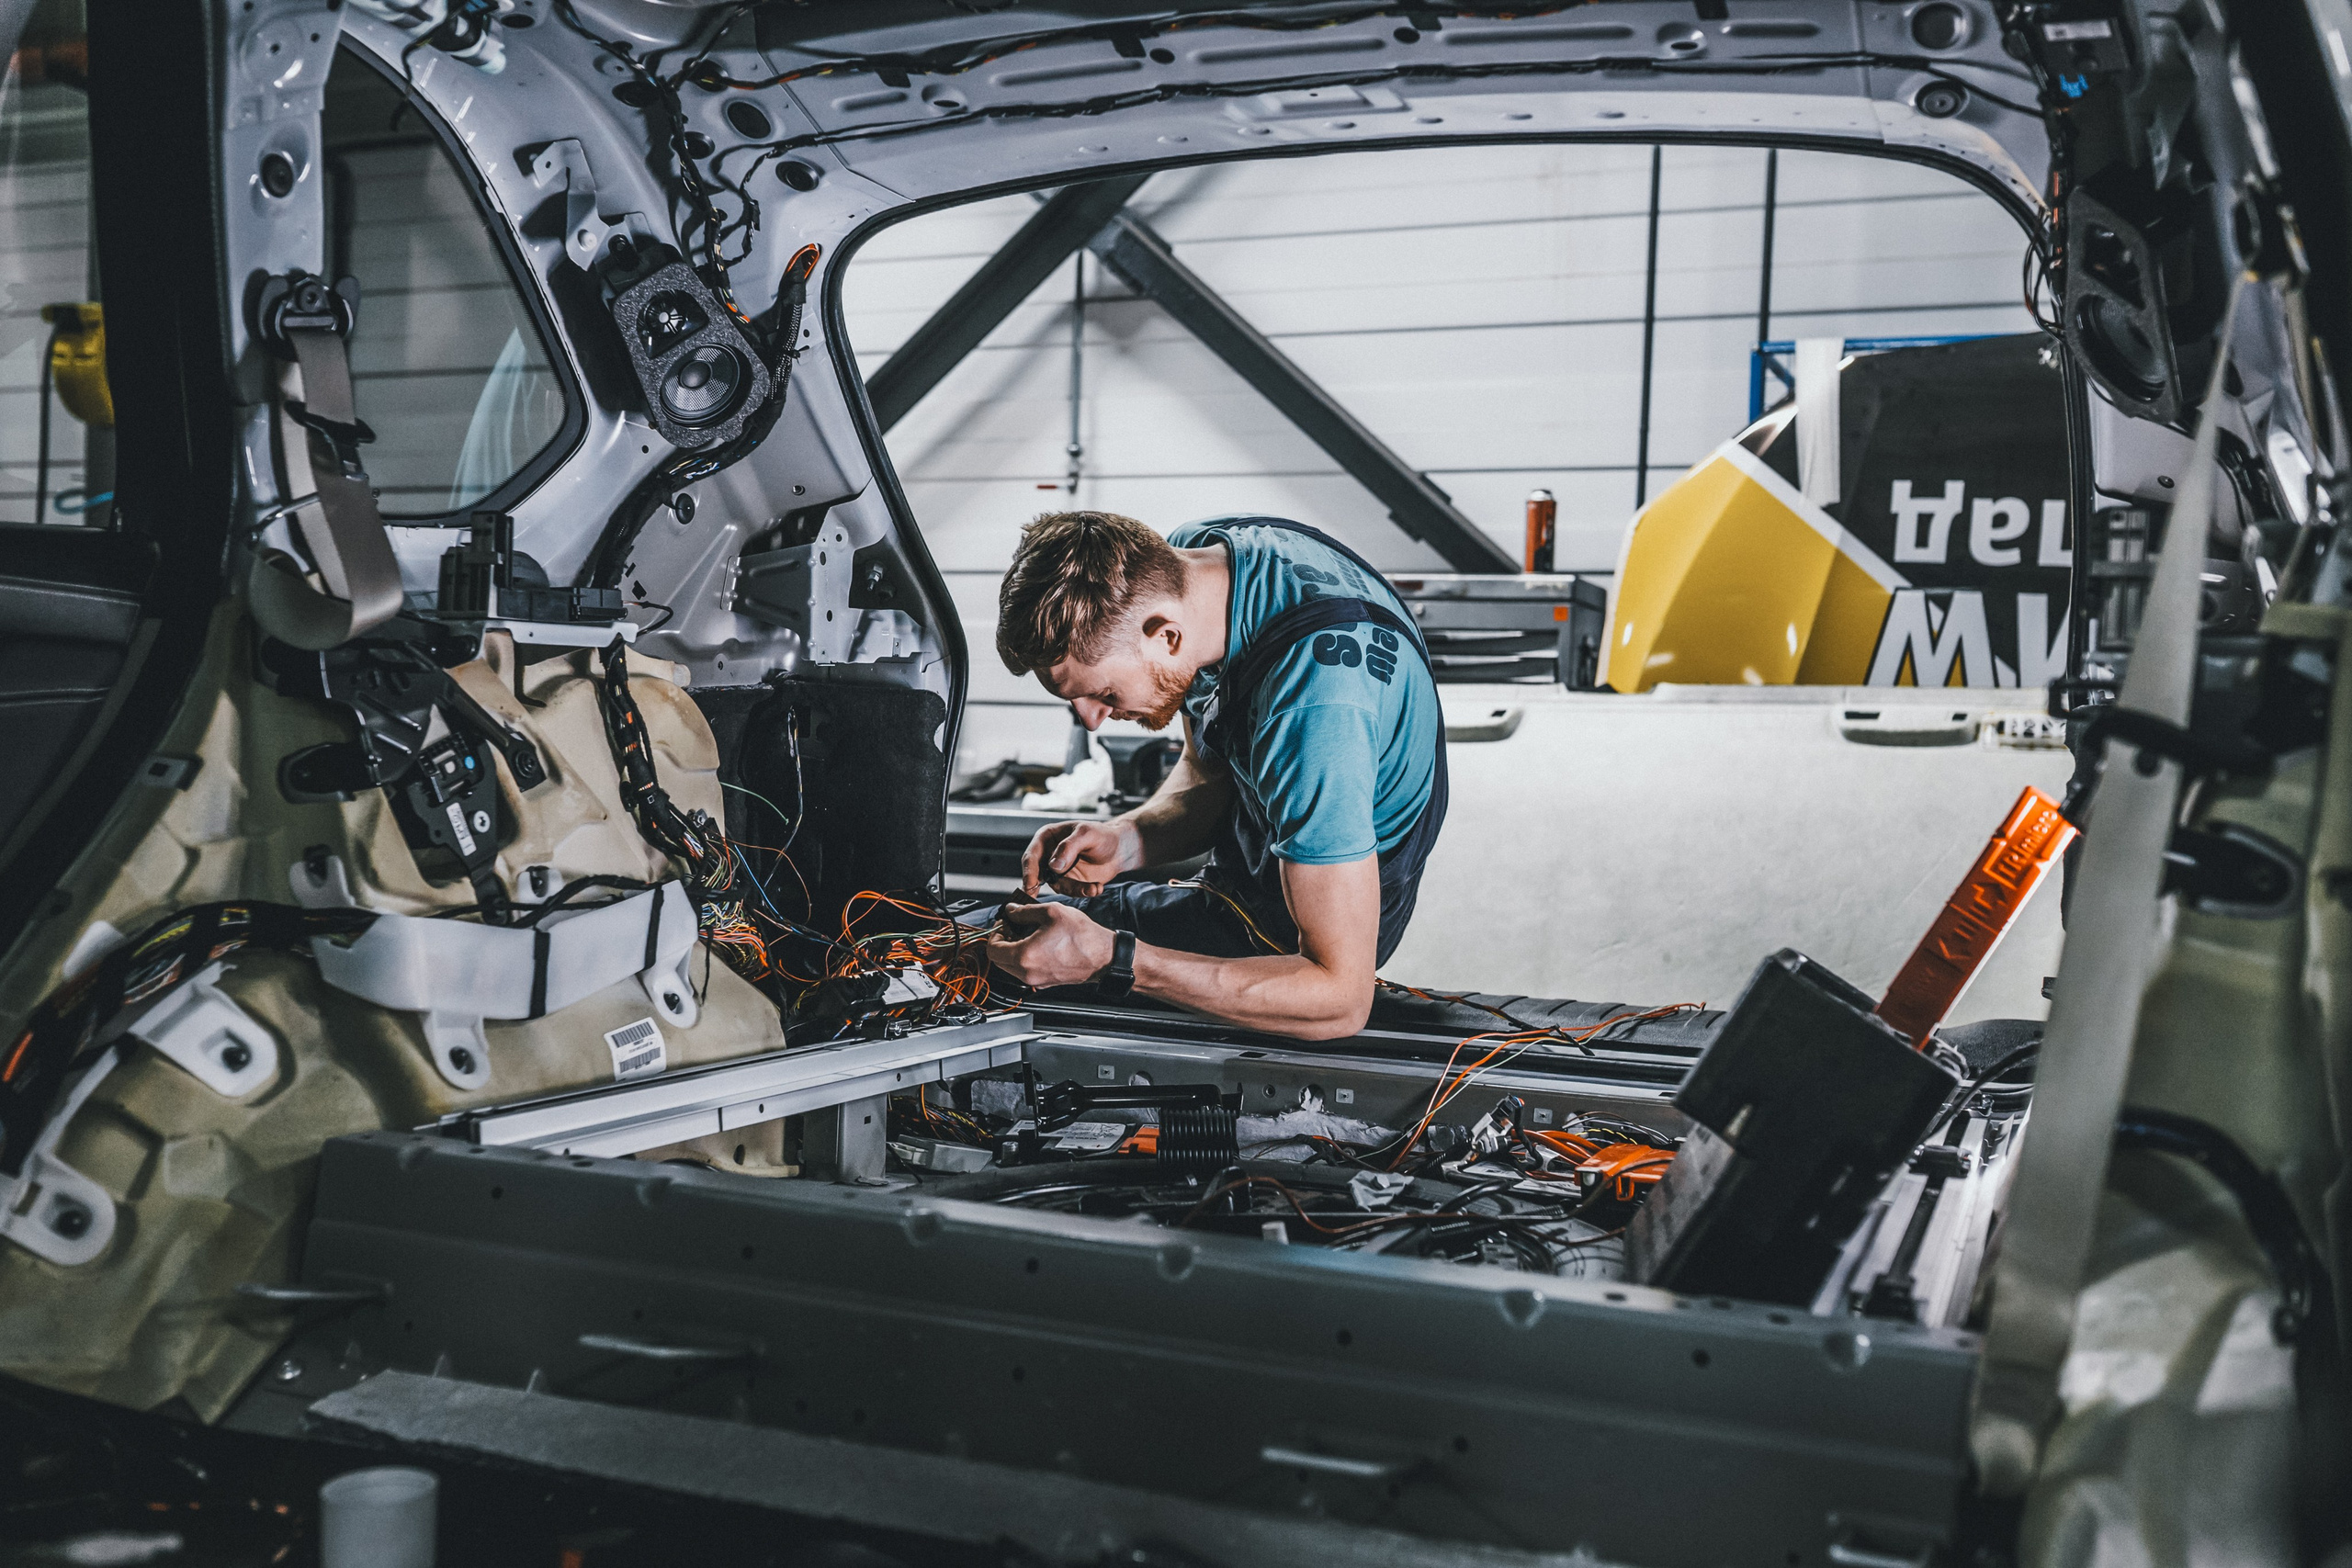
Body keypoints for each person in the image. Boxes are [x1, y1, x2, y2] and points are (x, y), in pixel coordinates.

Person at [983, 510, 1447, 1041]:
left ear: (1167, 637)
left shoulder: (1317, 714)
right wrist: (1126, 842)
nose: (1091, 718)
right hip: (1245, 876)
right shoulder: (1195, 564)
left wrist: (1115, 961)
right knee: (1008, 931)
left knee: (1000, 959)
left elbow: (1339, 998)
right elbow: (1210, 773)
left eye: (1104, 694)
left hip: (1302, 949)